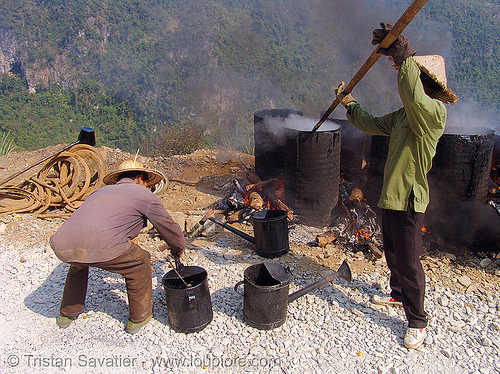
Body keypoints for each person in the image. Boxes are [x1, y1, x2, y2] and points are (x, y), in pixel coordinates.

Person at [334, 22, 458, 349]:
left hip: (410, 200)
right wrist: (350, 104)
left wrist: (404, 57)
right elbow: (373, 124)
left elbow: (412, 93)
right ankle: (397, 295)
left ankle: (417, 320)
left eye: (418, 75)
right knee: (392, 252)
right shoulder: (406, 116)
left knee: (409, 261)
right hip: (392, 195)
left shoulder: (433, 113)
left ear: (427, 84)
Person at [50, 159, 186, 334]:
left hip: (63, 244)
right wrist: (179, 247)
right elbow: (167, 225)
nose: (148, 187)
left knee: (78, 265)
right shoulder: (143, 194)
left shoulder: (99, 192)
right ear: (139, 178)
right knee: (139, 262)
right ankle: (140, 317)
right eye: (147, 183)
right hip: (101, 243)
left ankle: (67, 314)